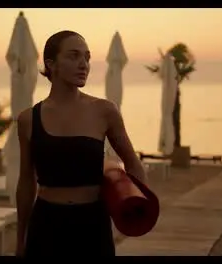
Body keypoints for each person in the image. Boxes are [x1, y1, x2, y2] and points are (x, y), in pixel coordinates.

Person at [15, 30, 147, 257]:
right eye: (73, 56)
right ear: (51, 64)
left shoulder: (105, 111)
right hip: (46, 222)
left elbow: (133, 164)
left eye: (86, 57)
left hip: (92, 223)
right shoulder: (28, 119)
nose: (83, 64)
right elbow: (26, 181)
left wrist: (137, 211)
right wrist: (20, 240)